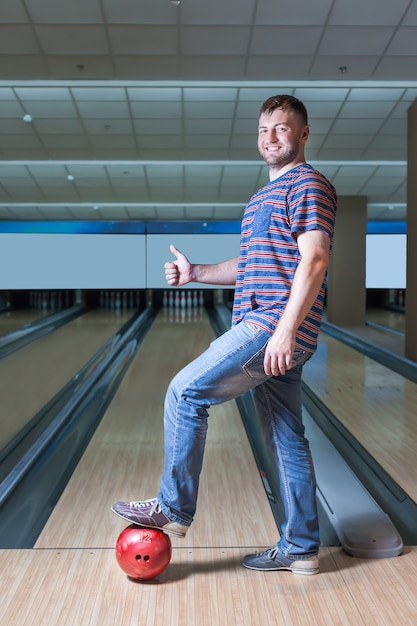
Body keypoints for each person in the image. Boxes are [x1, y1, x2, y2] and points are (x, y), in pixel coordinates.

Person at [112, 94, 337, 576]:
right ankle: (300, 546)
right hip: (265, 325)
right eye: (263, 130)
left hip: (269, 325)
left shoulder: (308, 184)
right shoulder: (260, 199)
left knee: (184, 392)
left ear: (303, 134)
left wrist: (285, 331)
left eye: (281, 128)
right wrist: (197, 273)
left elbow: (315, 259)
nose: (270, 137)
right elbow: (255, 265)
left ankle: (173, 509)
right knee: (285, 437)